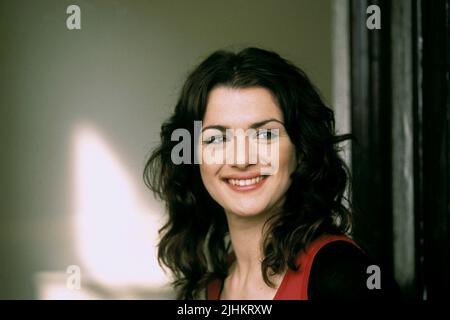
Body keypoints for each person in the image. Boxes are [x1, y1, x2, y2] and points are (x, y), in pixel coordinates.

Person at [143, 47, 400, 300]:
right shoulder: (212, 287)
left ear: (301, 149)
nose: (241, 160)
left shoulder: (345, 277)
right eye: (217, 139)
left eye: (265, 134)